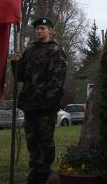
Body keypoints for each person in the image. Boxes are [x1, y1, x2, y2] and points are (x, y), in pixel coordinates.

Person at [13, 17, 67, 184]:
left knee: (45, 139)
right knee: (32, 139)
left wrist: (49, 102)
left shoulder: (55, 50)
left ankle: (44, 173)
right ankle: (34, 170)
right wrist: (15, 64)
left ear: (50, 30)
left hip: (46, 104)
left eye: (42, 28)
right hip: (30, 103)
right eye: (37, 29)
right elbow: (21, 76)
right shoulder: (30, 50)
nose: (39, 31)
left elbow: (57, 79)